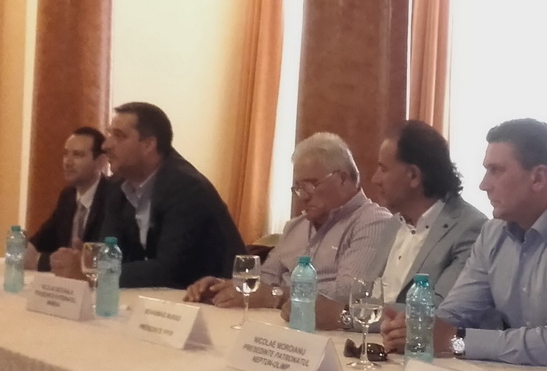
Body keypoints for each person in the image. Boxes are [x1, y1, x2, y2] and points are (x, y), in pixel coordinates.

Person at [381, 118, 547, 367]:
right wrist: (414, 328)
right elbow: (454, 316)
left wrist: (456, 340)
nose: (484, 185)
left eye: (496, 171)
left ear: (538, 178)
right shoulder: (493, 233)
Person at [185, 132, 390, 329]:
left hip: (326, 334)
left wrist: (277, 296)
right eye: (298, 188)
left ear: (342, 178)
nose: (303, 196)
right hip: (278, 325)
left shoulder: (373, 222)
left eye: (311, 185)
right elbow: (265, 280)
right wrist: (226, 287)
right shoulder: (295, 226)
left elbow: (348, 293)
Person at [51, 102, 246, 288]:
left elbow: (170, 270)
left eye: (119, 136)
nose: (106, 145)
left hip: (218, 299)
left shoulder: (186, 187)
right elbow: (110, 254)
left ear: (148, 145)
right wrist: (86, 262)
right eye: (110, 134)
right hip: (158, 298)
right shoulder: (118, 185)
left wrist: (93, 273)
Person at [366, 120, 486, 305]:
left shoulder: (469, 229)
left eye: (384, 169)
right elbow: (364, 295)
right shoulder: (393, 224)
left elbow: (440, 310)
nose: (375, 179)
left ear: (414, 175)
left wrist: (365, 313)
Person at [25, 127, 109, 271]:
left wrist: (40, 261)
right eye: (65, 154)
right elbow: (42, 240)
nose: (68, 162)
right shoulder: (68, 196)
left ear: (101, 161)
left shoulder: (112, 196)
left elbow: (98, 259)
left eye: (77, 155)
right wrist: (23, 246)